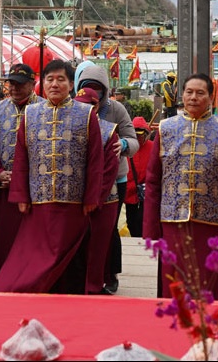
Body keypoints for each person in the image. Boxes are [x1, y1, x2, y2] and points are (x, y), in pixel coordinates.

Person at [0, 60, 105, 293]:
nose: (55, 84)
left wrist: (91, 197)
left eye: (61, 79)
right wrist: (21, 195)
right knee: (37, 254)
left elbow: (95, 159)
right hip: (38, 200)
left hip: (73, 200)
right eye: (50, 79)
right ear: (42, 83)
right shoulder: (31, 114)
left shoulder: (86, 114)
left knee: (69, 255)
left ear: (71, 84)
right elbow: (22, 157)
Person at [143, 73, 218, 299]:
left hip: (212, 223)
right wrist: (151, 226)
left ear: (211, 97)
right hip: (172, 221)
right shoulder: (166, 128)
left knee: (209, 282)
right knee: (175, 281)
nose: (193, 97)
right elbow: (153, 179)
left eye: (200, 93)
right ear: (182, 94)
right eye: (189, 92)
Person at [76, 62, 138, 294]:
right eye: (88, 86)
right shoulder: (75, 106)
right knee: (84, 229)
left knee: (109, 229)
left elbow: (133, 139)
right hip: (82, 180)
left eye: (98, 88)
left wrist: (122, 145)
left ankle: (110, 274)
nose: (95, 93)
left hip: (116, 180)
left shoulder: (116, 110)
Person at [0, 63, 39, 286]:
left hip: (33, 190)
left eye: (20, 84)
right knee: (2, 240)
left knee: (30, 240)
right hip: (3, 188)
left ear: (32, 84)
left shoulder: (42, 108)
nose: (14, 89)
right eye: (11, 84)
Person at [70, 84, 121, 295]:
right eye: (80, 105)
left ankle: (95, 284)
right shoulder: (69, 129)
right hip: (74, 199)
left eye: (89, 106)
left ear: (97, 105)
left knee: (99, 245)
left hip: (105, 199)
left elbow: (109, 172)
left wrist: (94, 199)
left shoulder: (109, 131)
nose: (84, 110)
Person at [125, 116, 154, 238]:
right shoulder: (126, 146)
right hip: (129, 191)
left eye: (141, 134)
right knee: (131, 221)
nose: (139, 137)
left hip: (147, 192)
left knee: (143, 220)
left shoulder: (153, 147)